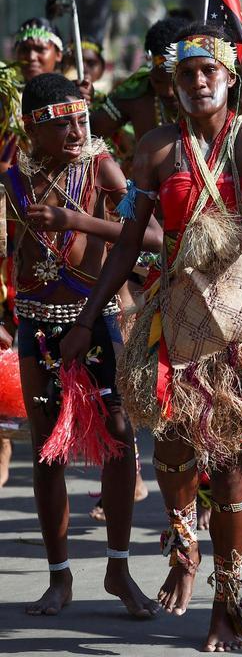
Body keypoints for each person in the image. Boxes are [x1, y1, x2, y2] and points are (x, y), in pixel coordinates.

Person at [59, 22, 242, 652]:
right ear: (172, 83)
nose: (198, 82)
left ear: (230, 77)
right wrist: (86, 320)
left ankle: (228, 597)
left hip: (239, 322)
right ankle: (184, 546)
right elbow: (130, 238)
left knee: (230, 464)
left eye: (208, 71)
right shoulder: (155, 149)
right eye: (185, 74)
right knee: (174, 456)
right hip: (178, 316)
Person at [6, 72, 162, 619]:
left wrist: (78, 220)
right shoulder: (12, 178)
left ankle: (119, 568)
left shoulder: (99, 167)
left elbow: (153, 236)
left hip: (95, 323)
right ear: (32, 129)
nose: (76, 130)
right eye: (62, 123)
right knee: (47, 449)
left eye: (81, 119)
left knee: (119, 437)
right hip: (35, 326)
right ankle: (58, 576)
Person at [91, 16, 189, 149]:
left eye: (174, 82)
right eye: (158, 81)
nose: (168, 92)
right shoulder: (136, 93)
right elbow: (88, 134)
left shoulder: (210, 97)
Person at [12, 18, 64, 83]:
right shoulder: (6, 92)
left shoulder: (71, 92)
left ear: (58, 54)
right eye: (24, 49)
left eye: (40, 49)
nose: (31, 57)